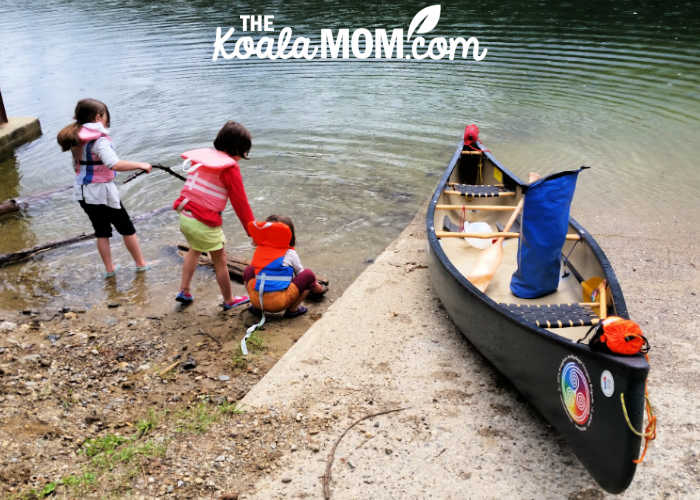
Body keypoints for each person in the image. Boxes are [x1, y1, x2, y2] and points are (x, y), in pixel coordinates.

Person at [57, 98, 152, 278]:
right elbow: (113, 164)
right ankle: (141, 264)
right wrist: (141, 164)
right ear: (99, 117)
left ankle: (109, 270)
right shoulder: (99, 140)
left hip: (82, 192)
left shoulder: (76, 137)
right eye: (105, 115)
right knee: (127, 229)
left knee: (101, 232)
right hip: (102, 192)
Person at [173, 121, 255, 310]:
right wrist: (251, 230)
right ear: (239, 150)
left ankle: (184, 290)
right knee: (220, 261)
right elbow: (240, 203)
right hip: (203, 223)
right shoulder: (229, 168)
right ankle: (229, 300)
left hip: (185, 216)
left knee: (194, 250)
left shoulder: (203, 160)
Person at [244, 215, 327, 318]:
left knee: (249, 269)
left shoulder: (260, 250)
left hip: (256, 300)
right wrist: (316, 287)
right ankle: (293, 310)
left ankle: (256, 308)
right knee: (308, 274)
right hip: (278, 304)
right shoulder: (290, 253)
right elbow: (301, 274)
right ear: (289, 235)